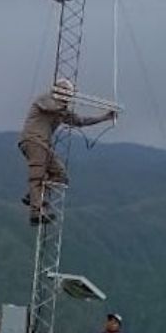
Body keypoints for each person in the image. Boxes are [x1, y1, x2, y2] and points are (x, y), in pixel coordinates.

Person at [18, 78, 116, 226]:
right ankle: (35, 212)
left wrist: (104, 117)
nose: (69, 99)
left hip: (44, 145)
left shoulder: (60, 109)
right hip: (33, 141)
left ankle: (34, 197)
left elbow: (80, 121)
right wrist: (65, 104)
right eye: (68, 94)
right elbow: (51, 107)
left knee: (60, 174)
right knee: (37, 176)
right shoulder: (46, 99)